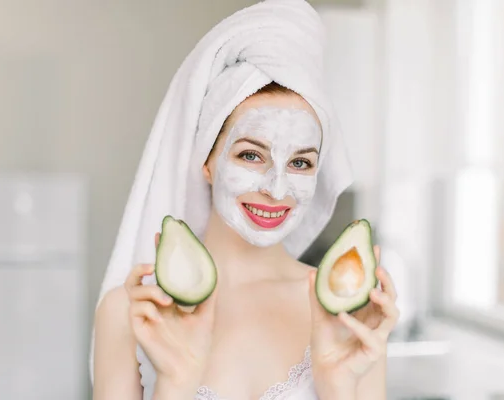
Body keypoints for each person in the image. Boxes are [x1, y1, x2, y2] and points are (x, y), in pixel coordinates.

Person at [92, 1, 399, 400]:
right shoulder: (133, 312)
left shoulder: (353, 317)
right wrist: (175, 384)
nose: (276, 189)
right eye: (251, 155)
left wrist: (337, 385)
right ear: (207, 160)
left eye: (301, 162)